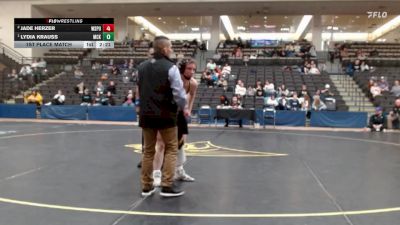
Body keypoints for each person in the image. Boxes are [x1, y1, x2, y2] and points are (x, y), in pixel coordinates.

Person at [137, 36, 188, 198]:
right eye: (171, 47)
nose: (172, 49)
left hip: (146, 115)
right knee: (171, 148)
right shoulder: (171, 68)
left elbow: (139, 88)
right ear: (165, 49)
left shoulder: (141, 67)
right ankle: (167, 185)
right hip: (166, 114)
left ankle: (146, 186)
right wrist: (183, 106)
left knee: (148, 151)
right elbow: (179, 94)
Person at [152, 59, 198, 187]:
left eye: (194, 69)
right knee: (161, 144)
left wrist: (188, 109)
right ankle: (156, 175)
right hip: (165, 113)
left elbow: (192, 96)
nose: (192, 71)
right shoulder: (171, 80)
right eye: (189, 68)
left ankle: (179, 171)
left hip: (179, 114)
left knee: (181, 143)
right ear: (182, 68)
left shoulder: (193, 83)